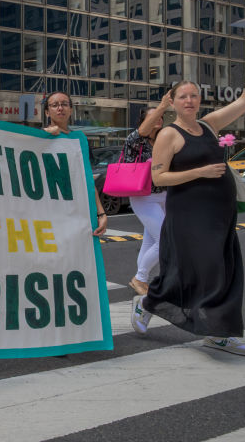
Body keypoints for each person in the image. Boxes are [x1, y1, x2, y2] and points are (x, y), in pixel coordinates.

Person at [134, 43, 245, 356]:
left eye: (194, 95)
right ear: (172, 102)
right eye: (182, 96)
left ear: (199, 101)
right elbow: (159, 178)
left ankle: (218, 333)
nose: (189, 100)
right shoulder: (169, 135)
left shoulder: (209, 125)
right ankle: (149, 301)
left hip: (220, 215)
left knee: (225, 270)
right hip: (189, 215)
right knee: (201, 270)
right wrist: (201, 171)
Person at [124, 93, 173, 302]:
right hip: (143, 196)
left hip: (165, 195)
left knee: (151, 240)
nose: (159, 119)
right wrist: (163, 106)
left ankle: (140, 279)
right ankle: (140, 277)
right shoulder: (136, 142)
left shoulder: (166, 140)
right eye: (154, 116)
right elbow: (141, 133)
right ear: (143, 121)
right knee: (166, 239)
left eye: (161, 116)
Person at [41, 91, 108, 238]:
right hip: (47, 211)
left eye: (64, 104)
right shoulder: (38, 138)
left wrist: (101, 213)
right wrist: (44, 136)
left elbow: (87, 179)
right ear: (47, 112)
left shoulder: (80, 140)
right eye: (55, 105)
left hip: (77, 210)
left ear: (71, 110)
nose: (60, 108)